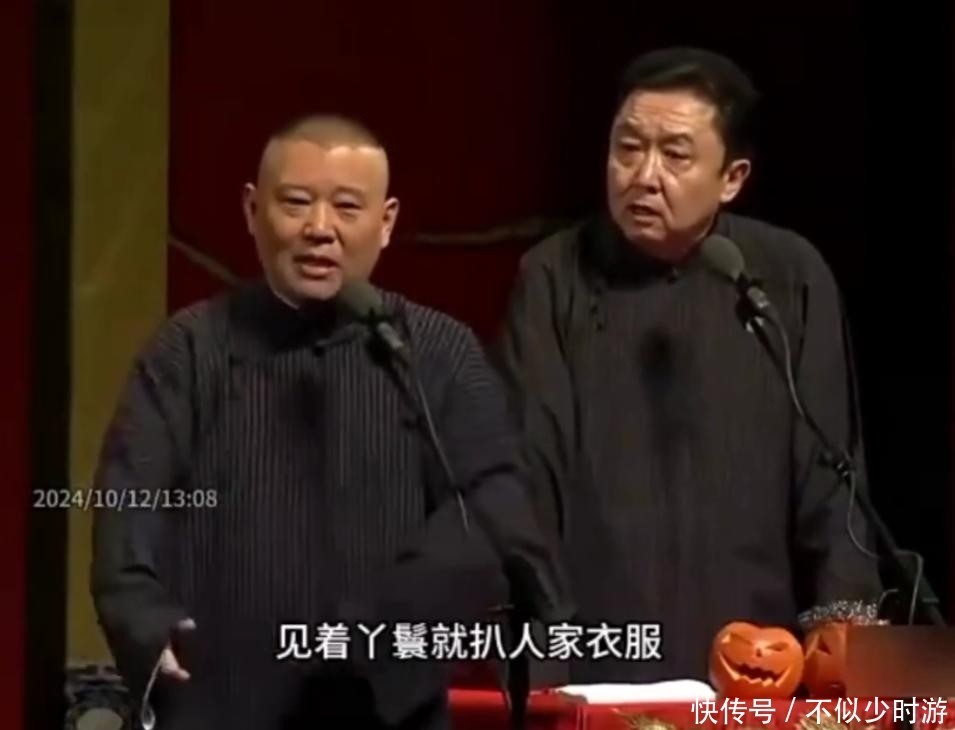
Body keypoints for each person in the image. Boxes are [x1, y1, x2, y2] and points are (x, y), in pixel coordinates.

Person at [91, 114, 570, 729]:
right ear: (252, 210)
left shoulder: (436, 352)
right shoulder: (188, 350)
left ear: (386, 222)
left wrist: (378, 627)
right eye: (296, 203)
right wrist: (144, 622)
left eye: (347, 207)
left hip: (386, 705)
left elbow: (492, 508)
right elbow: (130, 499)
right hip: (221, 698)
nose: (320, 229)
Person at [495, 47, 883, 684]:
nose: (643, 176)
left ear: (732, 178)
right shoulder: (553, 277)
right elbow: (528, 484)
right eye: (627, 148)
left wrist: (839, 654)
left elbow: (834, 484)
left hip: (761, 663)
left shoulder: (788, 276)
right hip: (601, 661)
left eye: (675, 155)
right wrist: (541, 673)